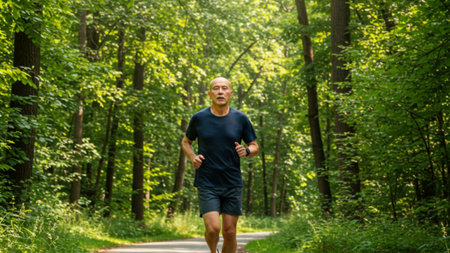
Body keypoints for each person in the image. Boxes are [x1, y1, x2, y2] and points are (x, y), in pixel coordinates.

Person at [181, 77, 259, 253]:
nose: (220, 91)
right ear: (210, 94)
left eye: (224, 88)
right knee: (213, 228)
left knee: (230, 232)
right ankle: (212, 250)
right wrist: (193, 157)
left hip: (232, 181)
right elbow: (186, 142)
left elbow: (254, 146)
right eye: (216, 88)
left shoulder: (240, 118)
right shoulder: (199, 118)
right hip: (207, 181)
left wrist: (246, 151)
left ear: (230, 93)